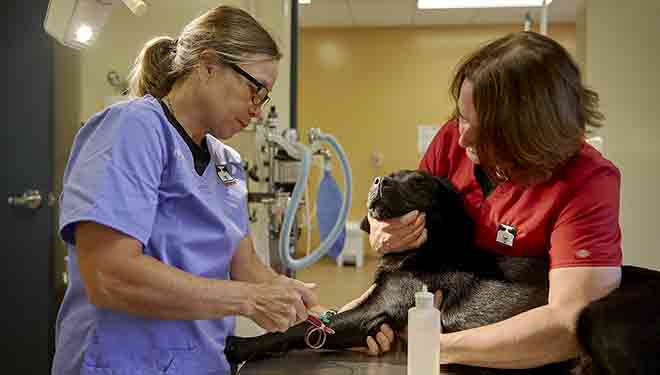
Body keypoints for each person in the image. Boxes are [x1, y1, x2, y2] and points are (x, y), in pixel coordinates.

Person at [52, 6, 325, 374]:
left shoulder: (226, 163)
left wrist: (324, 316)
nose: (258, 111)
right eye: (254, 90)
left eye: (265, 98)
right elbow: (109, 276)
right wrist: (249, 300)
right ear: (209, 64)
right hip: (124, 363)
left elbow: (246, 268)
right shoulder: (133, 129)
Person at [363, 31, 623, 369]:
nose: (461, 135)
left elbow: (569, 323)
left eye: (481, 127)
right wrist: (383, 234)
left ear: (529, 135)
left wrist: (433, 344)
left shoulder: (588, 182)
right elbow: (402, 245)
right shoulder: (453, 142)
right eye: (461, 116)